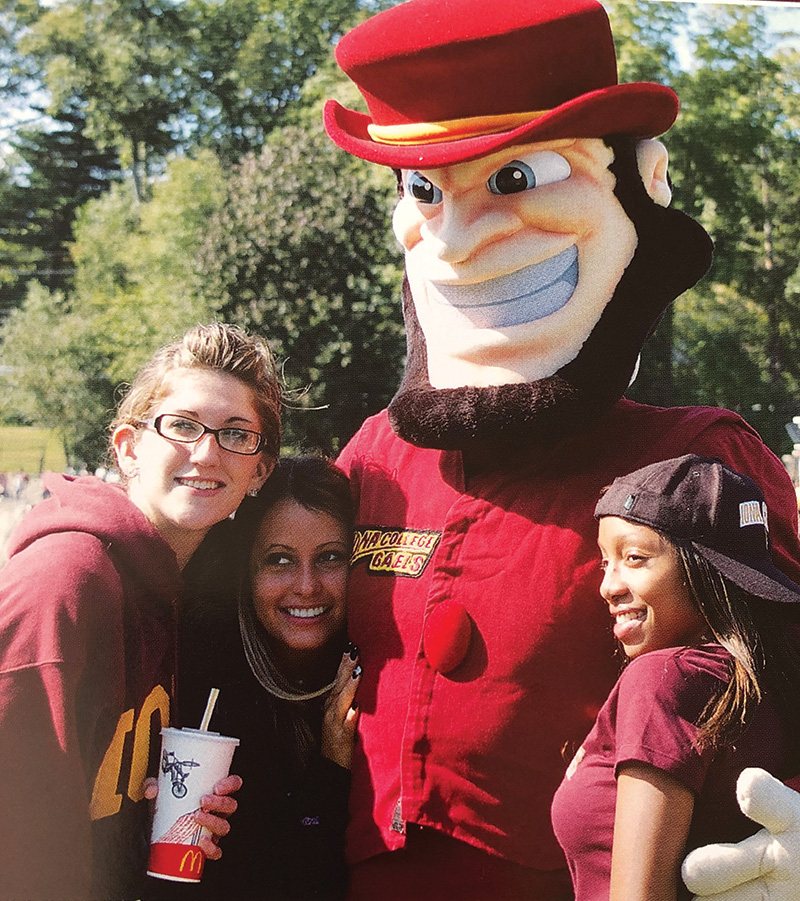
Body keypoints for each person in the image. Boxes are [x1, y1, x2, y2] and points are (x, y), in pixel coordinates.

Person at [322, 0, 800, 897]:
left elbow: (784, 663)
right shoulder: (377, 456)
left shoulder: (693, 463)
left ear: (640, 182)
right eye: (424, 190)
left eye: (514, 177)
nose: (460, 238)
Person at [0, 322, 281, 900]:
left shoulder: (182, 593)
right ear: (128, 448)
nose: (206, 453)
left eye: (235, 434)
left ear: (260, 470)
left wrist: (151, 809)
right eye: (181, 425)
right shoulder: (66, 583)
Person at [550, 455, 800, 900]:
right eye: (605, 562)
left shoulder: (663, 678)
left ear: (705, 568)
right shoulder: (767, 679)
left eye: (634, 558)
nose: (609, 586)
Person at [149, 455, 361, 901]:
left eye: (330, 557)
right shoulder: (205, 678)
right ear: (246, 569)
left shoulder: (372, 672)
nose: (306, 585)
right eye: (279, 560)